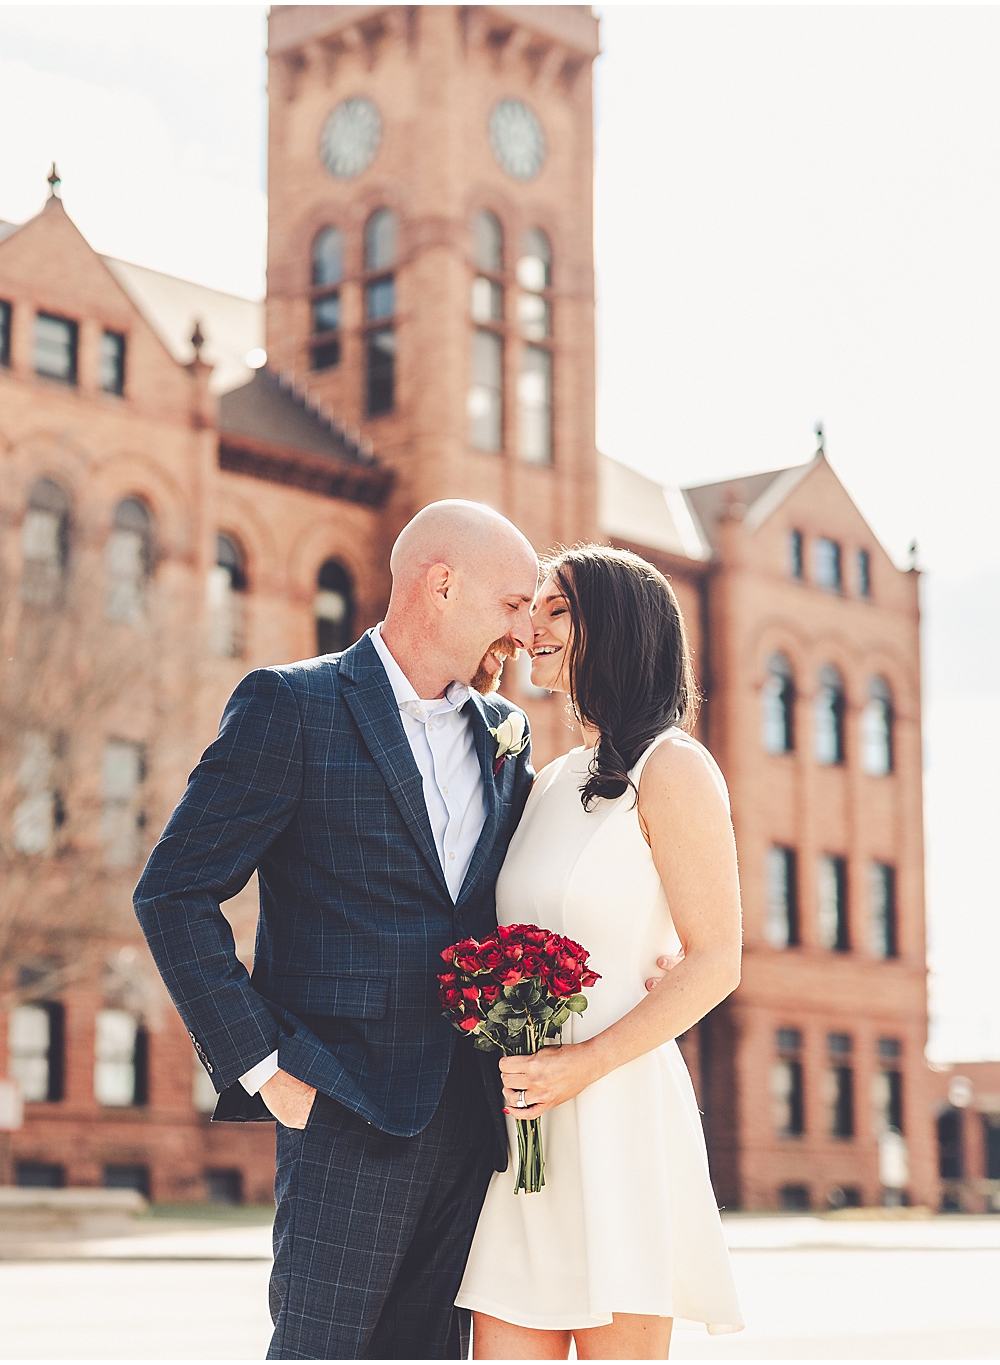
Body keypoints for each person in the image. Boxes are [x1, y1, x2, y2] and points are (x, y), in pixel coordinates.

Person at [134, 501, 541, 1359]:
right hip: (343, 1108)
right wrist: (264, 1067)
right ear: (441, 585)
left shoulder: (506, 732)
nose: (523, 630)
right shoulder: (293, 706)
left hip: (470, 1123)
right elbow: (173, 891)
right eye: (511, 604)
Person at [455, 543, 745, 1359]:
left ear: (612, 629)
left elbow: (716, 957)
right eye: (530, 607)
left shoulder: (675, 766)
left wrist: (585, 1062)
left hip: (617, 1109)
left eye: (556, 609)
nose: (532, 626)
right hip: (524, 1126)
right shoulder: (547, 781)